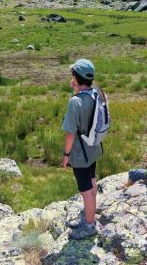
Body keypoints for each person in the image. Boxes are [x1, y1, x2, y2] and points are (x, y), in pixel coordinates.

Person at [62, 58, 103, 240]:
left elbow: (70, 134)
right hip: (94, 148)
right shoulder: (97, 93)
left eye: (73, 76)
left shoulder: (75, 102)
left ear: (77, 79)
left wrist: (66, 155)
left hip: (80, 154)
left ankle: (89, 225)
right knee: (92, 183)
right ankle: (89, 215)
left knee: (85, 189)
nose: (71, 79)